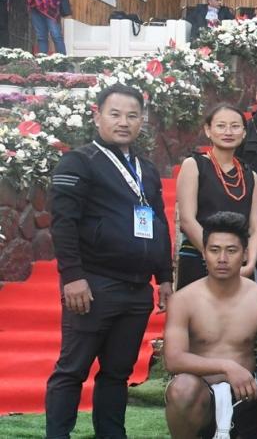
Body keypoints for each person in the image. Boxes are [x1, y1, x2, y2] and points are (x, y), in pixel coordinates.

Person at [45, 84, 174, 438]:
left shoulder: (146, 169)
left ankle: (111, 434)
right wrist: (72, 276)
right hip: (93, 284)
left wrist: (164, 276)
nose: (124, 122)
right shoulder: (79, 161)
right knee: (72, 369)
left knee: (118, 372)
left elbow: (158, 221)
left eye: (132, 116)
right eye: (115, 114)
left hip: (136, 290)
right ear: (96, 115)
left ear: (142, 121)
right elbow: (64, 223)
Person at [163, 212, 257, 439]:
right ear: (204, 253)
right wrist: (227, 366)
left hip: (247, 396)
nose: (222, 258)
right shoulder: (184, 299)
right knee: (182, 387)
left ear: (245, 254)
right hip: (200, 398)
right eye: (214, 250)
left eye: (231, 250)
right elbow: (173, 359)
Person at [175, 104, 257, 289]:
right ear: (208, 130)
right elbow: (187, 220)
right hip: (198, 257)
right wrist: (214, 256)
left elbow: (255, 227)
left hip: (240, 264)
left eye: (235, 126)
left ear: (244, 133)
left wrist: (250, 263)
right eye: (221, 126)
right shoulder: (194, 165)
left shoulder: (251, 175)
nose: (228, 131)